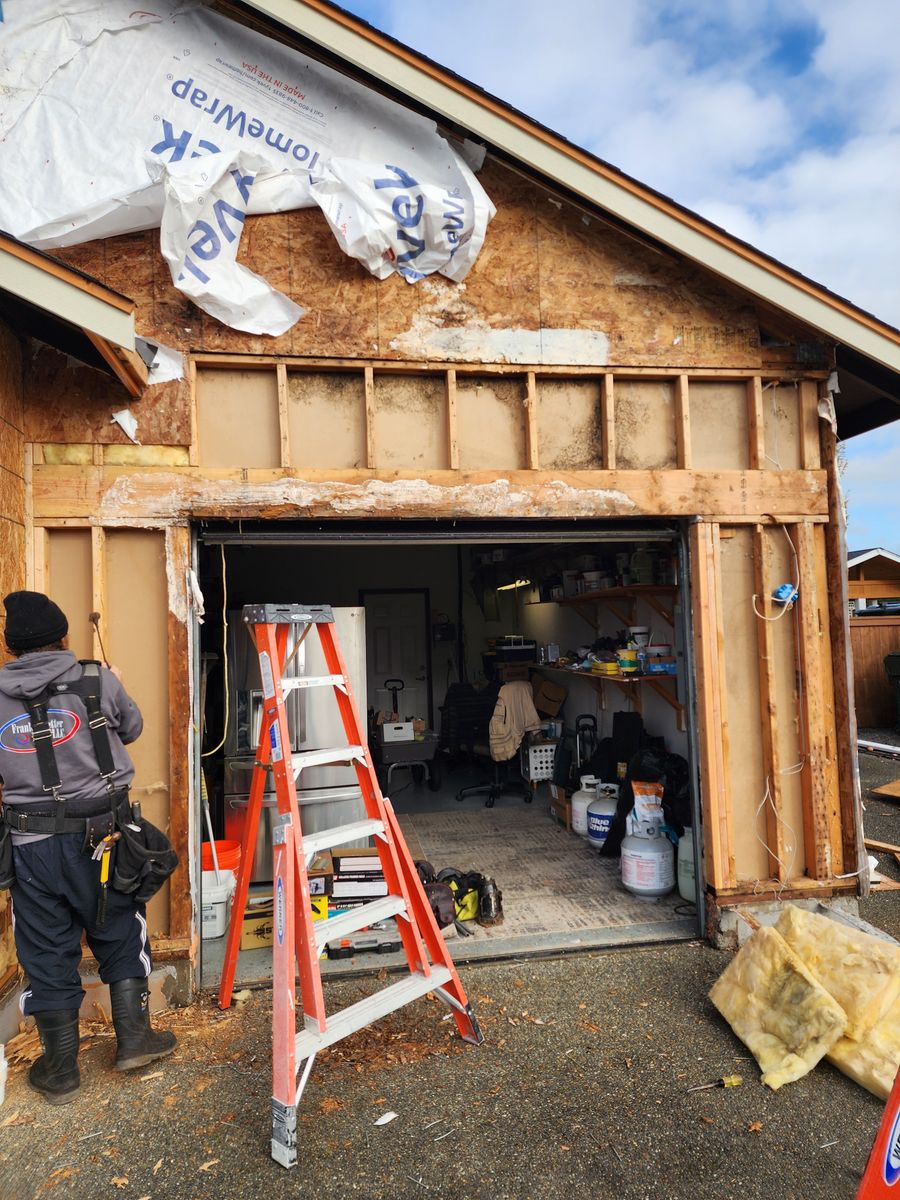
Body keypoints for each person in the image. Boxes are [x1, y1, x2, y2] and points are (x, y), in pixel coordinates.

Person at [0, 591, 176, 1105]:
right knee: (119, 927)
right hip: (106, 837)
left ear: (11, 646)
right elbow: (134, 728)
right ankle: (135, 1041)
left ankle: (60, 1072)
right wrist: (104, 693)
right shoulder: (96, 679)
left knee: (46, 949)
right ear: (64, 636)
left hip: (31, 845)